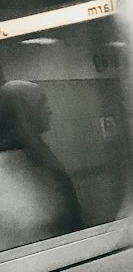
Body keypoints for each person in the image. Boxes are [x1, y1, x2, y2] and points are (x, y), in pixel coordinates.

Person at [0, 80, 84, 250]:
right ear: (25, 112)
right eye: (42, 102)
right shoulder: (9, 167)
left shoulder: (32, 153)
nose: (49, 109)